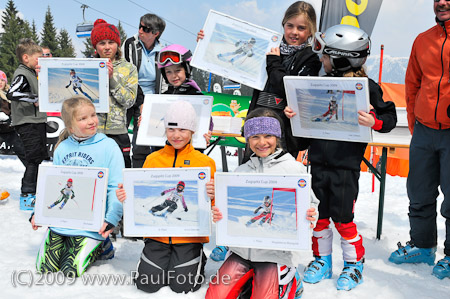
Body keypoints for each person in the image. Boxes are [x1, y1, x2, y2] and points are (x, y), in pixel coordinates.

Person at [200, 0, 321, 262]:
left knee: (276, 182)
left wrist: (273, 62)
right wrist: (208, 41)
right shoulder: (269, 47)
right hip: (256, 121)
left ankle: (275, 241)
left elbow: (282, 85)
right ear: (283, 24)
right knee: (247, 176)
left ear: (310, 31)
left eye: (301, 28)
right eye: (290, 25)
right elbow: (236, 63)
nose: (294, 32)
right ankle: (235, 237)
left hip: (282, 130)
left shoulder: (310, 59)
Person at [284, 24, 397, 291]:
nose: (321, 61)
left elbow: (389, 117)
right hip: (318, 164)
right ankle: (322, 261)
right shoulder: (318, 85)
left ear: (340, 58)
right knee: (319, 217)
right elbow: (303, 136)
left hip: (345, 168)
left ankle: (354, 264)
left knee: (343, 219)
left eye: (325, 57)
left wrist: (374, 120)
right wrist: (295, 119)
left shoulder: (366, 87)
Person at [205, 108, 319, 299]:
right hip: (242, 250)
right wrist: (220, 215)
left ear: (277, 137)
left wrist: (310, 215)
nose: (262, 142)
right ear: (248, 140)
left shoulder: (293, 169)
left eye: (268, 136)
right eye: (255, 137)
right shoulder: (241, 171)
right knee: (215, 296)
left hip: (275, 253)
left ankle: (291, 281)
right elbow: (231, 211)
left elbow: (311, 203)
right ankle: (249, 281)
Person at [116, 100, 216, 294]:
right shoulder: (153, 160)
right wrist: (127, 195)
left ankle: (196, 258)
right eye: (171, 129)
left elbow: (210, 204)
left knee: (182, 285)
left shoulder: (204, 163)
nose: (176, 135)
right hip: (157, 236)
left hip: (188, 237)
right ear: (165, 130)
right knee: (147, 284)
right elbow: (142, 195)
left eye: (183, 129)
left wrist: (213, 194)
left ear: (192, 131)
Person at [388, 0, 450, 280]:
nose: (442, 2)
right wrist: (415, 123)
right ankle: (423, 246)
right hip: (425, 131)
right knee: (419, 193)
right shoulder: (423, 40)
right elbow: (412, 84)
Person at [30, 96, 124, 277]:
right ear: (70, 127)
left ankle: (103, 245)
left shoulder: (109, 147)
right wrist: (38, 212)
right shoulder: (62, 148)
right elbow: (51, 185)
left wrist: (111, 218)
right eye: (83, 118)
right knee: (45, 267)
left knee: (70, 269)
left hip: (92, 223)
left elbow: (115, 186)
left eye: (93, 115)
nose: (91, 121)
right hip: (63, 222)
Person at [90, 19, 138, 169]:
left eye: (111, 42)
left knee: (121, 174)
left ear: (117, 44)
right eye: (101, 43)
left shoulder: (128, 68)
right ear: (95, 47)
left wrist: (111, 79)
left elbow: (129, 101)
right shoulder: (86, 67)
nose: (107, 47)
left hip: (118, 132)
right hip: (92, 132)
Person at [7, 38, 48, 206]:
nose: (41, 61)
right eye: (38, 58)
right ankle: (27, 193)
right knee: (33, 158)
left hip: (36, 120)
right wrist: (33, 99)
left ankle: (36, 190)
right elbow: (12, 93)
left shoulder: (32, 73)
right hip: (27, 122)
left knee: (38, 157)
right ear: (26, 58)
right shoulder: (22, 73)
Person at [122, 13, 166, 168]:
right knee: (121, 137)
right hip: (130, 93)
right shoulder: (130, 44)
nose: (140, 30)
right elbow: (130, 75)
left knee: (142, 141)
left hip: (151, 98)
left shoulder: (163, 51)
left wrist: (155, 102)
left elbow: (164, 79)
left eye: (145, 29)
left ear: (156, 33)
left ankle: (140, 172)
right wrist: (142, 101)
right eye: (140, 26)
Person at [0, 69, 26, 166]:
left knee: (22, 151)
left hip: (9, 129)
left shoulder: (10, 94)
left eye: (2, 80)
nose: (0, 82)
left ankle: (32, 174)